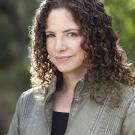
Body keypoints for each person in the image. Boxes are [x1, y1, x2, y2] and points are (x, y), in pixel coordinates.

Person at [7, 0, 135, 135]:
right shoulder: (28, 102)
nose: (59, 47)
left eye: (71, 34)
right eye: (51, 35)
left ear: (94, 37)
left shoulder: (127, 104)